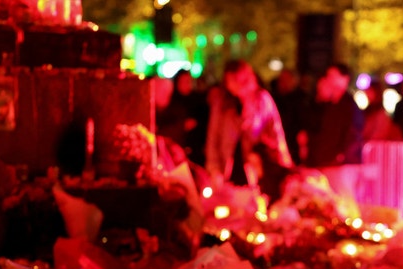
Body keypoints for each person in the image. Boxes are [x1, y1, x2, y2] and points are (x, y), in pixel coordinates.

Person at [205, 59, 294, 200]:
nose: (234, 85)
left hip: (255, 168)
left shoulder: (262, 99)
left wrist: (285, 164)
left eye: (238, 80)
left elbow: (276, 132)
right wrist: (214, 168)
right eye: (230, 81)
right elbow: (213, 137)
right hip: (228, 168)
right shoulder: (222, 102)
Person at [301, 63, 365, 203]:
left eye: (333, 76)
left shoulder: (349, 105)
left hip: (340, 164)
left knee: (344, 202)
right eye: (328, 76)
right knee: (326, 203)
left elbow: (353, 134)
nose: (329, 80)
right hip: (324, 162)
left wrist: (341, 156)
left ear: (345, 79)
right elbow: (313, 127)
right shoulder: (326, 105)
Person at [156, 69, 209, 167]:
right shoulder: (171, 104)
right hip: (176, 154)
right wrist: (181, 126)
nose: (187, 85)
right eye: (183, 82)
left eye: (188, 81)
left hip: (196, 153)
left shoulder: (199, 103)